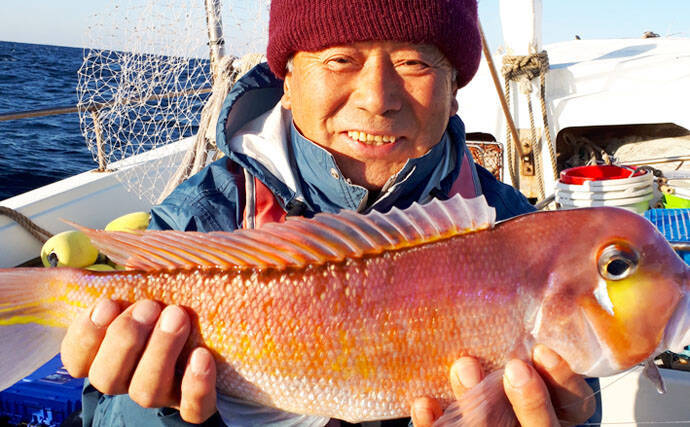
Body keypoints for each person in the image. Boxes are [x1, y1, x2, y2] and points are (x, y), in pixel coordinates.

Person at [60, 0, 597, 425]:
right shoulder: (200, 220)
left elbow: (578, 385)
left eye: (414, 61)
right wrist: (158, 412)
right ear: (288, 80)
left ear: (455, 88)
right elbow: (102, 413)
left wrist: (565, 417)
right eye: (340, 58)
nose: (377, 98)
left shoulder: (523, 235)